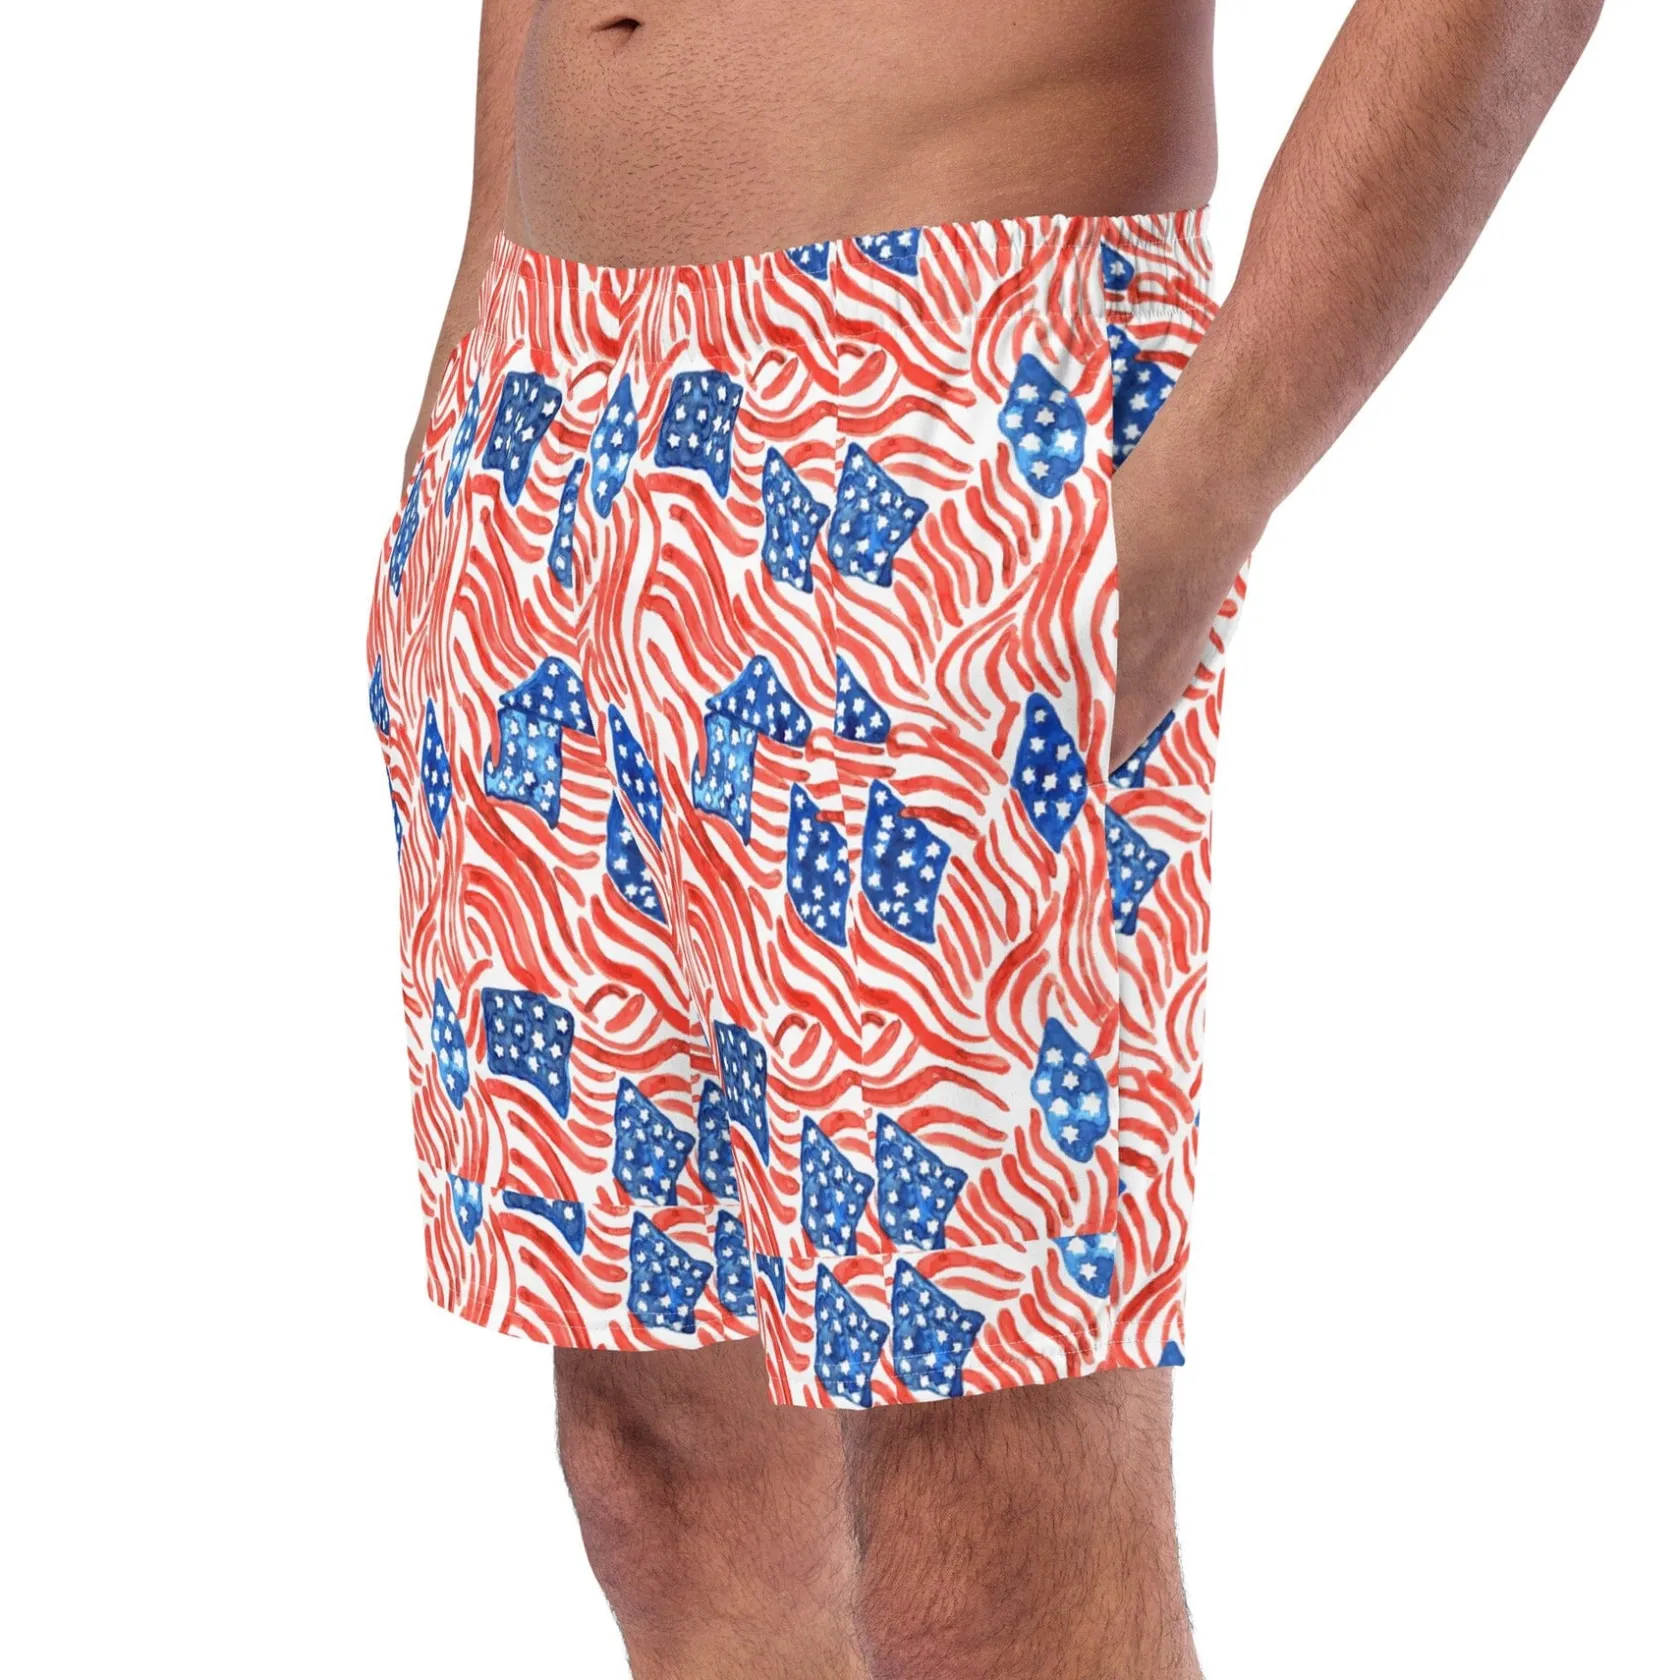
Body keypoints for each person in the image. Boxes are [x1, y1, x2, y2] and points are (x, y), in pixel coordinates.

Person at [364, 3, 1602, 1673]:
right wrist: (472, 353)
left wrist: (1197, 503)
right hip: (547, 423)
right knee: (658, 1473)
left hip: (934, 389)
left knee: (983, 1546)